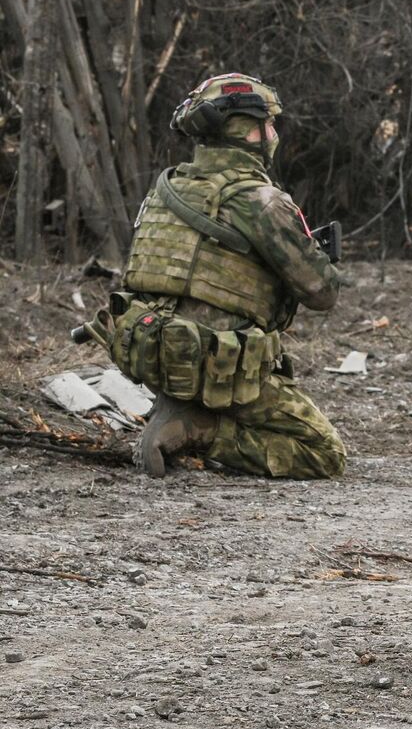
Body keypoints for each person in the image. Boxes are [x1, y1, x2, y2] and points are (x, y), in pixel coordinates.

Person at [102, 73, 345, 480]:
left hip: (156, 354)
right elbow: (322, 294)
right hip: (217, 363)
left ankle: (183, 407)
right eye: (267, 124)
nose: (272, 133)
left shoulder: (165, 190)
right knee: (323, 452)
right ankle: (200, 428)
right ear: (248, 132)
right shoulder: (261, 200)